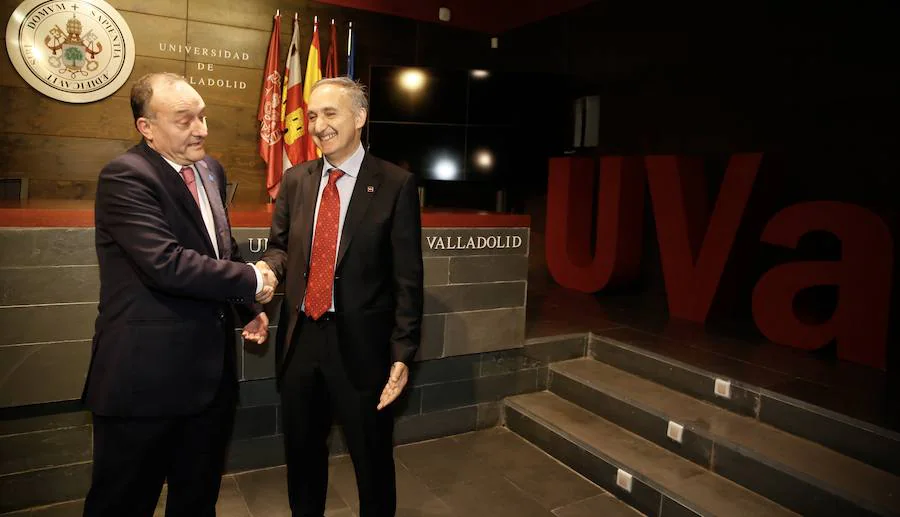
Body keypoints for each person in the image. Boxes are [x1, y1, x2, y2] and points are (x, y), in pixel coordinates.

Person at [82, 72, 276, 517]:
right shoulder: (125, 177)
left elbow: (219, 247)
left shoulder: (210, 169)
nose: (201, 129)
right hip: (144, 382)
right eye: (185, 120)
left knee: (196, 500)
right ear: (146, 127)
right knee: (123, 502)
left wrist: (246, 309)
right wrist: (253, 280)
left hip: (209, 381)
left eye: (203, 117)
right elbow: (166, 264)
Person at [257, 76, 423, 517]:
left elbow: (408, 278)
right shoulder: (295, 180)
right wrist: (268, 273)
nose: (317, 125)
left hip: (362, 350)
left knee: (371, 461)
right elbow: (279, 249)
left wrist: (403, 351)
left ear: (360, 117)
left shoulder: (395, 184)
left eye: (330, 113)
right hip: (299, 342)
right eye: (311, 115)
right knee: (303, 459)